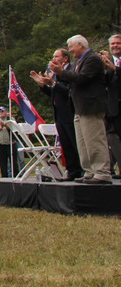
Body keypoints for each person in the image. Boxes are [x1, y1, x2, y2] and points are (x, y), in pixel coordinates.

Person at [51, 34, 111, 183]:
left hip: (91, 106)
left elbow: (81, 78)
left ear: (80, 45)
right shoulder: (80, 61)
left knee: (94, 140)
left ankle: (102, 172)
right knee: (83, 142)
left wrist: (60, 72)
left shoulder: (92, 59)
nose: (70, 50)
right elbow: (73, 80)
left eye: (71, 47)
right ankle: (89, 171)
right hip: (79, 107)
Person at [30, 48, 83, 180]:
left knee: (75, 142)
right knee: (66, 143)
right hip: (59, 113)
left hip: (70, 111)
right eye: (53, 56)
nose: (54, 59)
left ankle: (82, 170)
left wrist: (53, 83)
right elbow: (54, 94)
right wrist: (43, 86)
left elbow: (69, 92)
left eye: (57, 56)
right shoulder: (53, 73)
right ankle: (72, 171)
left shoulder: (71, 71)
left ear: (65, 58)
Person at [99, 34, 121, 178]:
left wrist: (115, 69)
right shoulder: (108, 62)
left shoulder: (114, 65)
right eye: (112, 44)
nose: (115, 46)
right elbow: (104, 83)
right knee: (113, 138)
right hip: (113, 108)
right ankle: (112, 168)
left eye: (118, 43)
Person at [0, 107, 21, 178]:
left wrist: (5, 125)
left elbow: (14, 128)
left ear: (6, 112)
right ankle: (4, 176)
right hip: (1, 144)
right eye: (0, 112)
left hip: (10, 143)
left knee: (13, 161)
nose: (0, 113)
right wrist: (0, 128)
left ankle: (15, 175)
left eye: (2, 111)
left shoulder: (10, 119)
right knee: (2, 161)